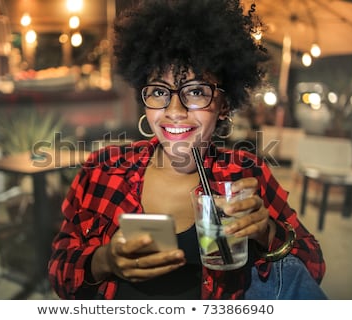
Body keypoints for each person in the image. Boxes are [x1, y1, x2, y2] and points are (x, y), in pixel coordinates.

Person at [48, 0, 326, 299]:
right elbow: (59, 273)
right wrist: (103, 261)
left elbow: (312, 268)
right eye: (159, 91)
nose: (175, 110)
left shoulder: (246, 173)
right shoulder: (102, 169)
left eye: (195, 91)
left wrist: (267, 232)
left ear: (224, 105)